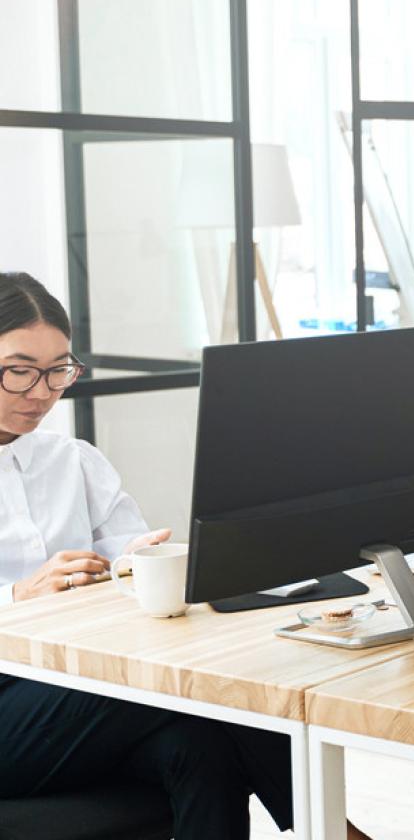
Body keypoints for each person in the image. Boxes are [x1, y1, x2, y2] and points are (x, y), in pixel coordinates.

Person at [0, 272, 373, 840]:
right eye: (20, 370)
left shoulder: (72, 460)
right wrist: (17, 596)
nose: (42, 392)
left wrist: (142, 561)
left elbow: (122, 560)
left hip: (75, 680)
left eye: (58, 371)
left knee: (200, 746)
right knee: (199, 691)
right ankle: (337, 832)